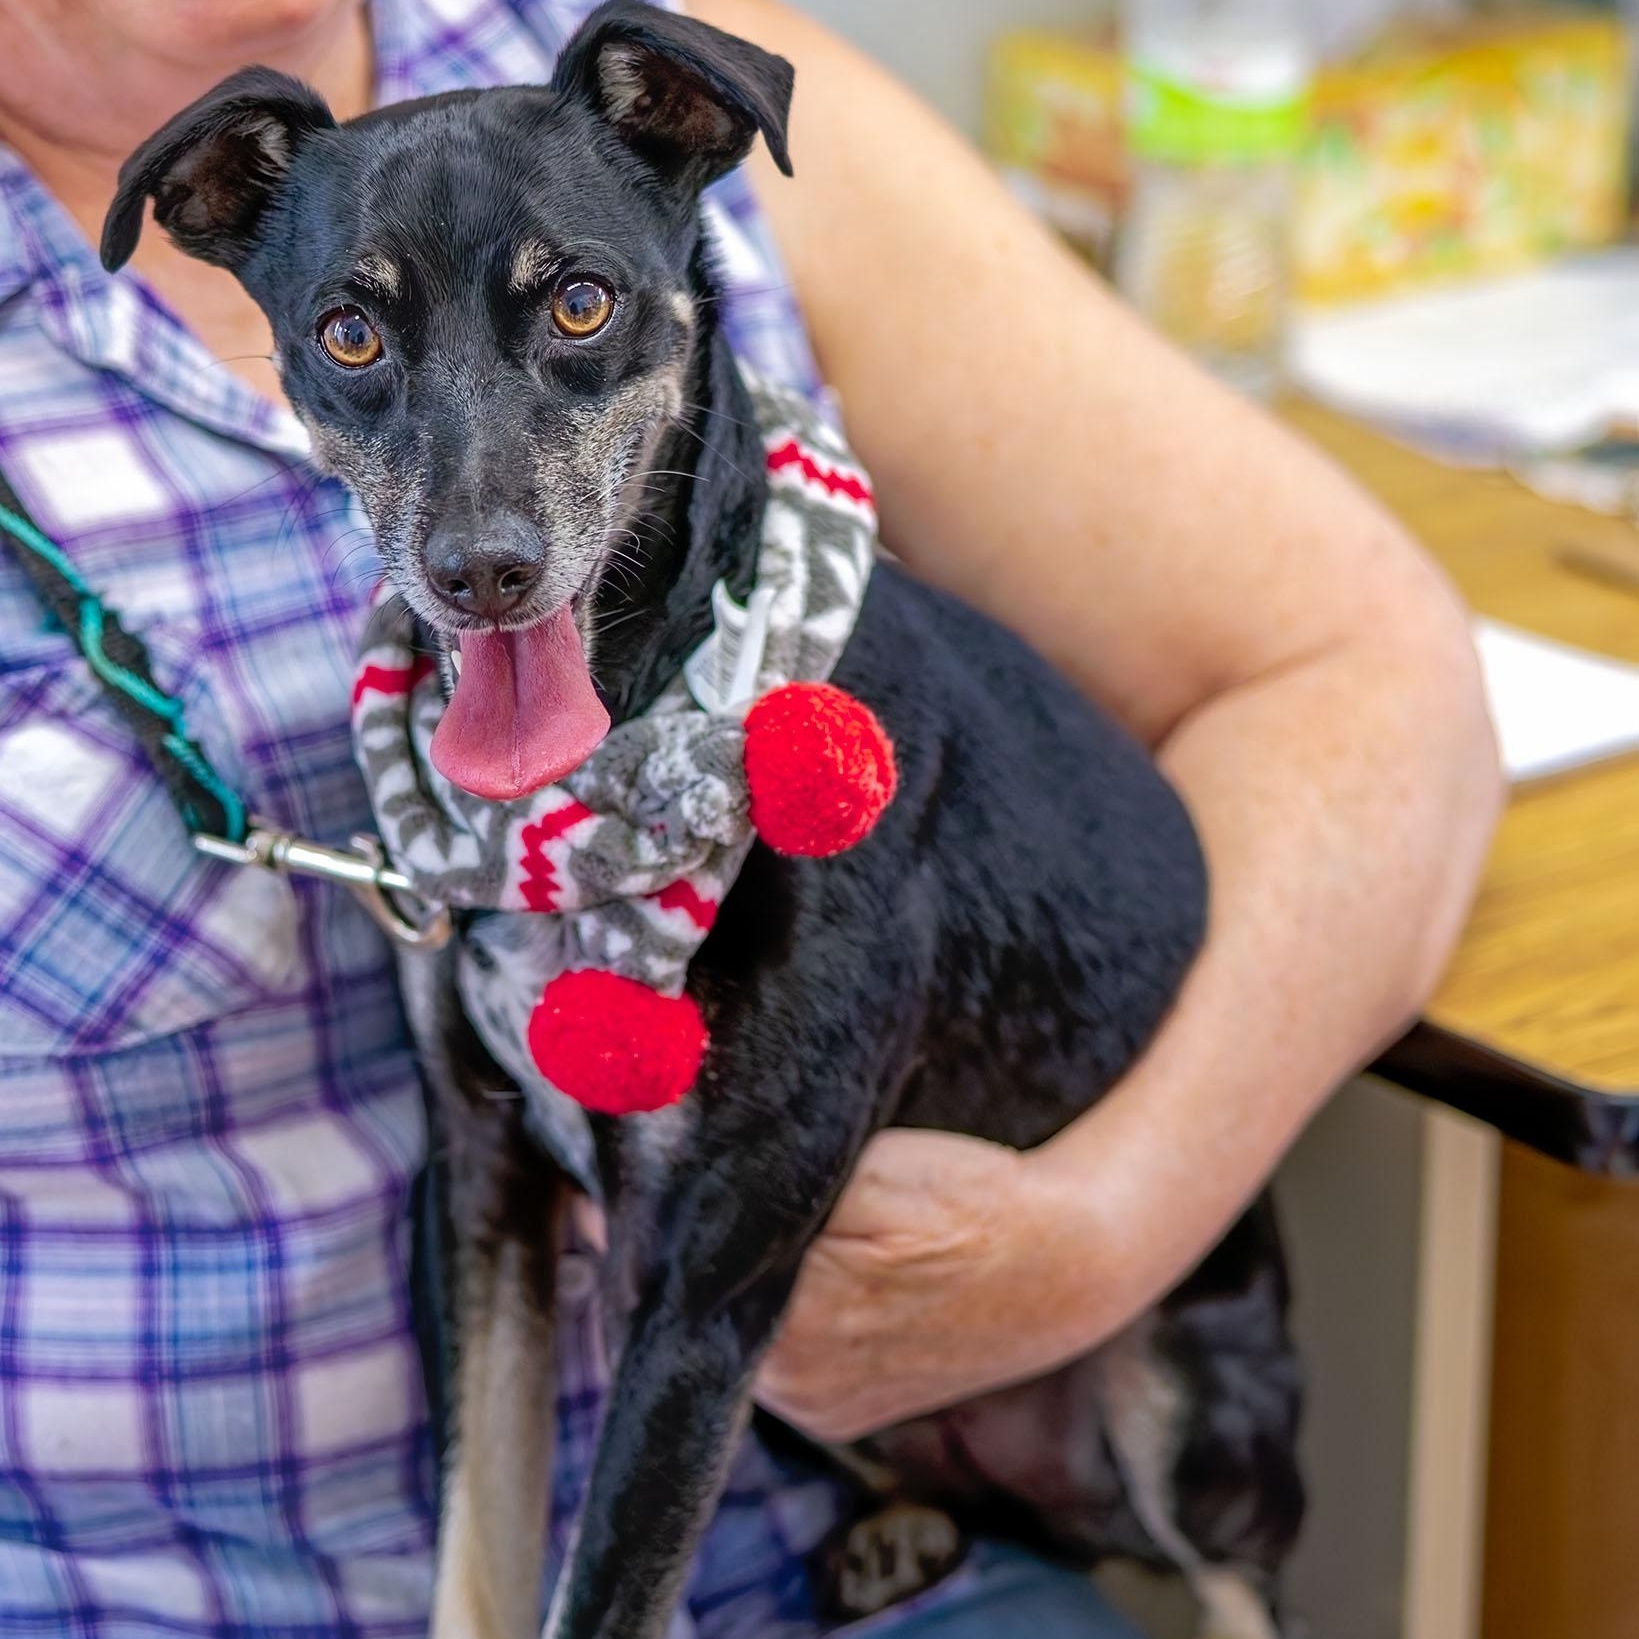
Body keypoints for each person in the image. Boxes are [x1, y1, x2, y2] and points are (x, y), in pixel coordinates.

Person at [0, 0, 1499, 1633]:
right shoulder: (436, 756)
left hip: (842, 1541)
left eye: (575, 308)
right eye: (355, 343)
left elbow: (1370, 667)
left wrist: (1100, 1228)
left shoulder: (624, 74)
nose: (480, 529)